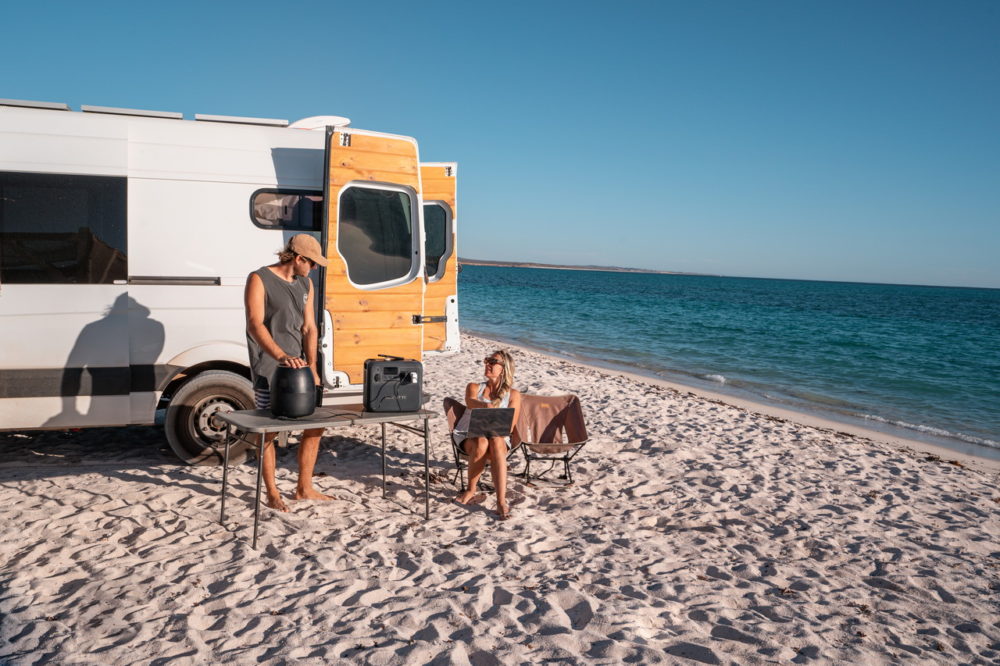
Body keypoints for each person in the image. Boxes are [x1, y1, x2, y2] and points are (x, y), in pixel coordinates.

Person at [244, 234, 331, 511]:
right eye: (312, 263)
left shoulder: (306, 283)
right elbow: (255, 324)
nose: (315, 269)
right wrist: (281, 355)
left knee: (315, 425)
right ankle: (271, 492)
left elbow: (309, 328)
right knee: (268, 432)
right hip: (270, 368)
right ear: (298, 258)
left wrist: (314, 367)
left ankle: (304, 488)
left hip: (300, 371)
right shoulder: (258, 278)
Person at [454, 350, 521, 520]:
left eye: (493, 362)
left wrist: (494, 425)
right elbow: (470, 401)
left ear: (503, 369)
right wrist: (485, 406)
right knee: (481, 440)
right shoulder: (474, 387)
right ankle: (471, 489)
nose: (487, 364)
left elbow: (510, 426)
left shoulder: (513, 395)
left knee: (496, 440)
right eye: (487, 361)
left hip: (497, 437)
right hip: (467, 434)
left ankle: (500, 501)